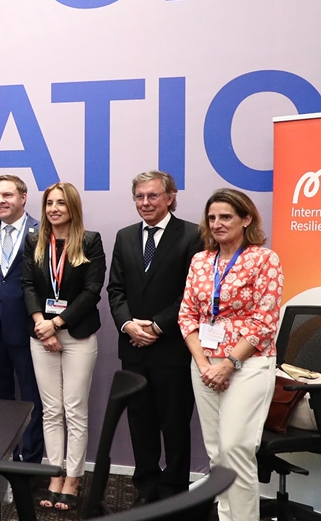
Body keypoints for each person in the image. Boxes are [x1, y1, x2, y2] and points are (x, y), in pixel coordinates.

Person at [178, 188, 282, 521]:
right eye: (212, 218)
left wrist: (228, 363)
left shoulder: (264, 259)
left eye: (226, 217)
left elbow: (265, 320)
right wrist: (203, 362)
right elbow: (187, 315)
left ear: (246, 219)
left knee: (236, 450)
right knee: (218, 455)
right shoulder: (200, 260)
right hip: (205, 365)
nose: (218, 224)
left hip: (247, 366)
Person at [107, 171, 202, 506]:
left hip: (173, 349)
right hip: (133, 350)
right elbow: (115, 289)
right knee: (140, 425)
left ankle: (174, 495)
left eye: (153, 196)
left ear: (170, 197)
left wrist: (158, 327)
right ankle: (146, 491)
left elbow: (192, 293)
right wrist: (128, 324)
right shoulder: (125, 236)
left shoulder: (193, 235)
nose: (145, 203)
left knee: (175, 427)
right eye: (139, 197)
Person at [22, 181, 105, 511]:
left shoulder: (89, 241)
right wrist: (42, 323)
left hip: (78, 335)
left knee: (74, 409)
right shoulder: (35, 240)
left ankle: (73, 478)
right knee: (51, 410)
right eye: (49, 203)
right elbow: (27, 284)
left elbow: (92, 291)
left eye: (60, 203)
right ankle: (55, 474)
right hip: (41, 333)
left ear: (72, 207)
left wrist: (57, 323)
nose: (54, 208)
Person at [0, 174, 44, 464]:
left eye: (8, 195)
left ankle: (29, 461)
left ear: (23, 198)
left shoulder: (41, 230)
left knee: (31, 399)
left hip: (27, 327)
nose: (1, 201)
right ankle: (3, 457)